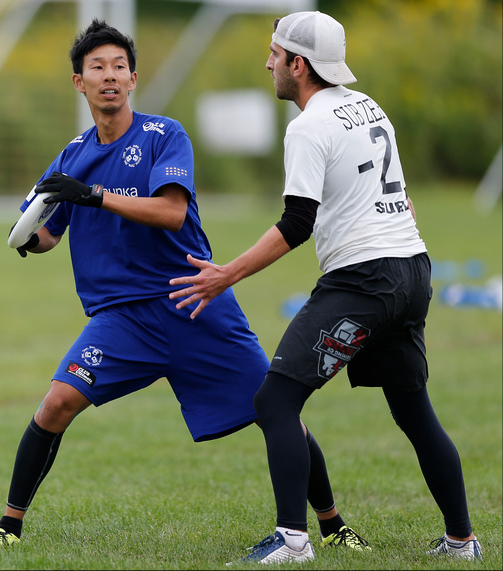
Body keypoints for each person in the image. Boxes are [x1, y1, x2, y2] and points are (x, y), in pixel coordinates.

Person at [0, 18, 366, 552]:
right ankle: (8, 527)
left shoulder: (164, 135)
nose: (109, 77)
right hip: (121, 320)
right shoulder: (71, 157)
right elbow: (47, 235)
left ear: (133, 79)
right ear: (78, 83)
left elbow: (171, 213)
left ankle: (333, 526)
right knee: (56, 404)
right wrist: (30, 239)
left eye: (119, 67)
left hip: (195, 301)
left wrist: (90, 195)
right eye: (97, 68)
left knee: (275, 411)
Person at [170, 10, 483, 564]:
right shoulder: (369, 107)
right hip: (412, 270)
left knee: (275, 400)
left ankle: (293, 540)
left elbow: (297, 223)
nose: (267, 62)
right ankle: (462, 540)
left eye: (275, 53)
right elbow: (398, 198)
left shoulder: (308, 124)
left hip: (366, 279)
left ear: (299, 63)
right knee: (414, 412)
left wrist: (225, 275)